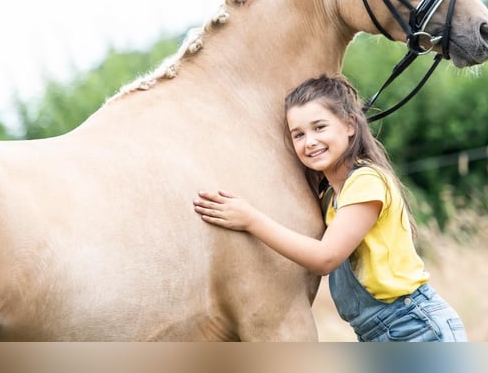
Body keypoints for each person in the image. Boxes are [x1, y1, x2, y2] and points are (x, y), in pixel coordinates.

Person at [192, 73, 467, 342]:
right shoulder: (329, 197)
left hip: (415, 326)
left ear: (349, 125)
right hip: (379, 334)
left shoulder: (366, 181)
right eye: (298, 134)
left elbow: (326, 258)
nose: (309, 141)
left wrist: (250, 219)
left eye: (319, 127)